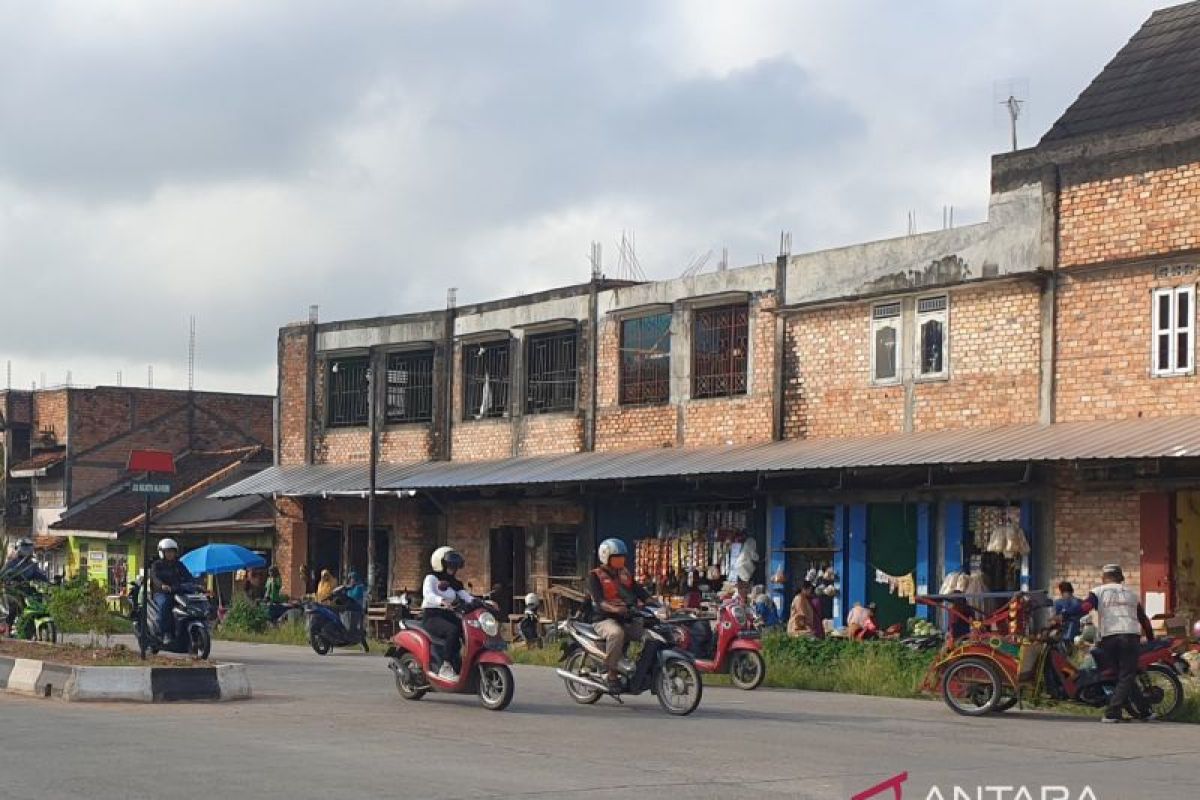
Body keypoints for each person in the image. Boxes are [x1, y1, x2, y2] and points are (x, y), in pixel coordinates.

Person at [1070, 564, 1156, 723]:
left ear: (1103, 578)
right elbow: (1143, 619)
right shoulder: (1131, 594)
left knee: (1122, 676)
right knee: (1126, 676)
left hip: (1108, 638)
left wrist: (1066, 615)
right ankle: (1117, 711)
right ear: (1121, 578)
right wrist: (1151, 639)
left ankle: (1140, 711)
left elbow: (1085, 607)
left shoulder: (1098, 592)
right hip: (1130, 637)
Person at [587, 538, 654, 691]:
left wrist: (655, 603)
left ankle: (639, 668)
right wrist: (615, 609)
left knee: (650, 634)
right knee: (616, 634)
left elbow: (640, 592)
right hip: (603, 619)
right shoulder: (595, 576)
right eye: (617, 558)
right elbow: (599, 601)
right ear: (606, 557)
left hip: (626, 617)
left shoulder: (624, 574)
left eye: (622, 558)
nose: (620, 562)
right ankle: (611, 674)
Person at [422, 546, 474, 680]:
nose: (453, 568)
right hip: (432, 616)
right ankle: (445, 667)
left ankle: (465, 663)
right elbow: (428, 595)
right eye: (450, 565)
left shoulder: (455, 583)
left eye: (455, 566)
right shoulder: (431, 578)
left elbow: (466, 596)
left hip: (448, 615)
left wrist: (484, 603)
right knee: (453, 630)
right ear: (441, 564)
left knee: (470, 628)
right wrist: (441, 601)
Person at [149, 538, 195, 643]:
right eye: (167, 551)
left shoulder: (179, 564)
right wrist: (162, 586)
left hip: (177, 591)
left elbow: (189, 576)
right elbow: (155, 578)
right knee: (165, 604)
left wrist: (195, 584)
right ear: (162, 553)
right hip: (161, 593)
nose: (170, 554)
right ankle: (166, 632)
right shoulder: (157, 565)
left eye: (172, 551)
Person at [1054, 581, 1085, 645]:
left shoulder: (1059, 603)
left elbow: (1057, 618)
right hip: (1079, 634)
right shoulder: (1080, 602)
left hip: (1066, 635)